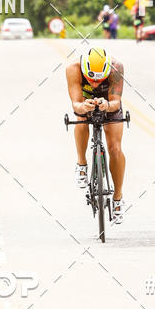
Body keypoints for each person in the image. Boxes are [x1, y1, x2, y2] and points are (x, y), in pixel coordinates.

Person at [65, 47, 126, 224]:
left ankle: (118, 198)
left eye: (99, 80)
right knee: (81, 119)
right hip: (85, 100)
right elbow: (76, 104)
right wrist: (83, 106)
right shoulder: (73, 68)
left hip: (108, 100)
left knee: (115, 148)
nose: (95, 84)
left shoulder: (116, 67)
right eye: (91, 79)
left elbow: (116, 102)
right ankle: (81, 163)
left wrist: (107, 104)